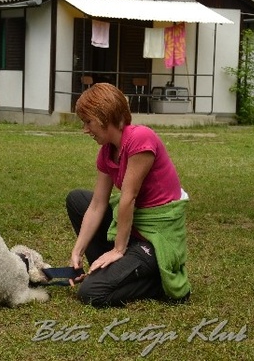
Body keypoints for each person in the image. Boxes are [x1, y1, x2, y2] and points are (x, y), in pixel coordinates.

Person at [66, 83, 190, 307]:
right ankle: (109, 269)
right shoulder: (106, 152)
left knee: (91, 293)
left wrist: (118, 249)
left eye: (88, 121)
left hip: (154, 239)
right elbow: (97, 204)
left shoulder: (140, 138)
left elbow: (129, 197)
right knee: (77, 200)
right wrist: (77, 251)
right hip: (132, 231)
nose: (85, 129)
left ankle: (157, 282)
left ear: (103, 117)